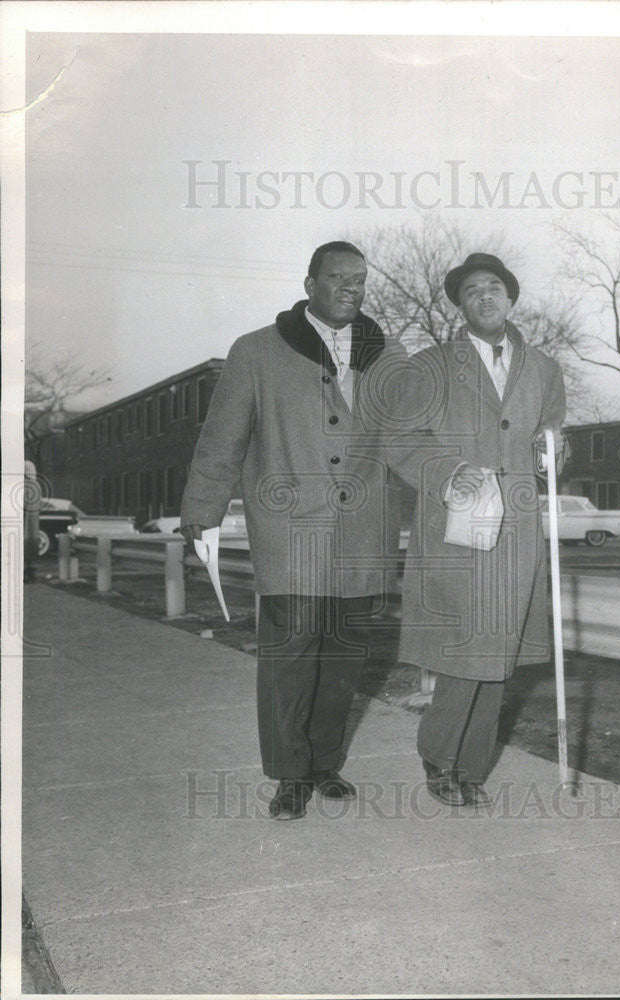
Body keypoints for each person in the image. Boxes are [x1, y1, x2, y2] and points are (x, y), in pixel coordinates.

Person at [180, 242, 405, 821]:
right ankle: (288, 775)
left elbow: (416, 436)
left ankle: (325, 763)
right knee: (290, 654)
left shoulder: (390, 353)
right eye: (337, 279)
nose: (350, 289)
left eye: (359, 280)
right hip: (289, 529)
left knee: (345, 654)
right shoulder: (256, 351)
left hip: (363, 528)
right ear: (310, 284)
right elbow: (223, 437)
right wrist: (201, 508)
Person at [391, 253, 567, 807]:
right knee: (464, 649)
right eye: (472, 291)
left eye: (495, 287)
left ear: (511, 297)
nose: (485, 296)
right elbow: (398, 440)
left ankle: (471, 766)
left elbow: (553, 440)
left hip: (517, 528)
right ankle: (439, 755)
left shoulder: (543, 368)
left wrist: (555, 450)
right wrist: (448, 473)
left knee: (500, 654)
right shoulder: (430, 365)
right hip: (457, 525)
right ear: (460, 305)